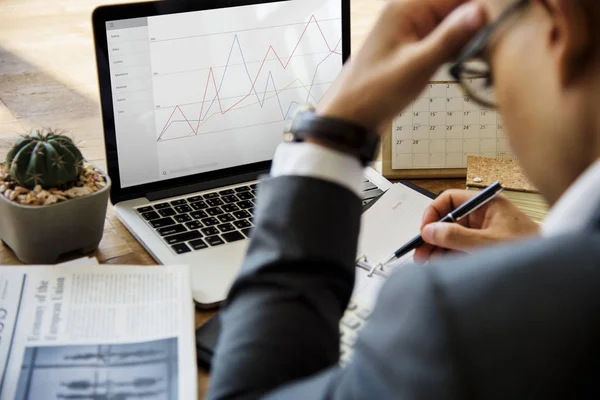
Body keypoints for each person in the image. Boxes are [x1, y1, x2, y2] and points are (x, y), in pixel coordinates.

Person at [207, 0, 600, 398]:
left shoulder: (456, 324)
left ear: (557, 24)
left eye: (487, 63)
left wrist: (330, 133)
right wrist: (542, 255)